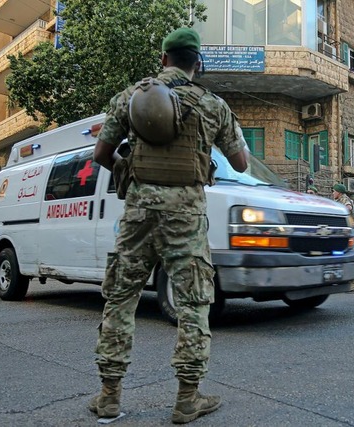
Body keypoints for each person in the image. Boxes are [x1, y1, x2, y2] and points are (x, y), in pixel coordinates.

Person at [91, 27, 249, 423]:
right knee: (194, 303)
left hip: (139, 213)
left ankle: (109, 396)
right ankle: (186, 399)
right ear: (198, 63)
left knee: (121, 298)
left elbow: (101, 154)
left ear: (163, 59)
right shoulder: (214, 105)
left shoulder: (131, 97)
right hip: (187, 216)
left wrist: (129, 169)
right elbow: (242, 163)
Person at [332, 183, 354, 292]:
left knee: (344, 254)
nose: (333, 193)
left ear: (339, 192)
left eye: (334, 191)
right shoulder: (338, 200)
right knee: (340, 255)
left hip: (348, 231)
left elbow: (348, 207)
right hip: (344, 231)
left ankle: (353, 282)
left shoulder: (344, 199)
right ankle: (349, 282)